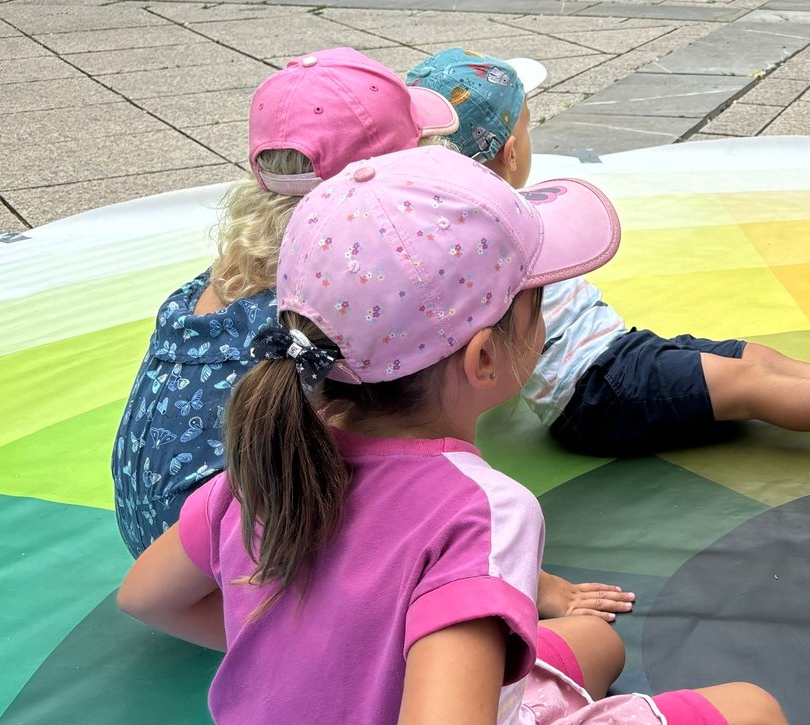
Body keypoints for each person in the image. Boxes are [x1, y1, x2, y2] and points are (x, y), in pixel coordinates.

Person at [117, 146, 794, 725]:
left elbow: (146, 596)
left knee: (593, 640)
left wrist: (331, 671)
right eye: (537, 303)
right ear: (483, 356)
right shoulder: (480, 508)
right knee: (755, 719)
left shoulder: (268, 461)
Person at [108, 48, 632, 623]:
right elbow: (377, 457)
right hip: (237, 554)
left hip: (163, 533)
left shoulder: (251, 266)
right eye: (426, 151)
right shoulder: (347, 297)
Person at [407, 48, 810, 458]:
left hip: (617, 353)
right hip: (594, 395)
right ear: (510, 152)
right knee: (749, 386)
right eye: (530, 131)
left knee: (754, 359)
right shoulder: (492, 232)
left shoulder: (476, 215)